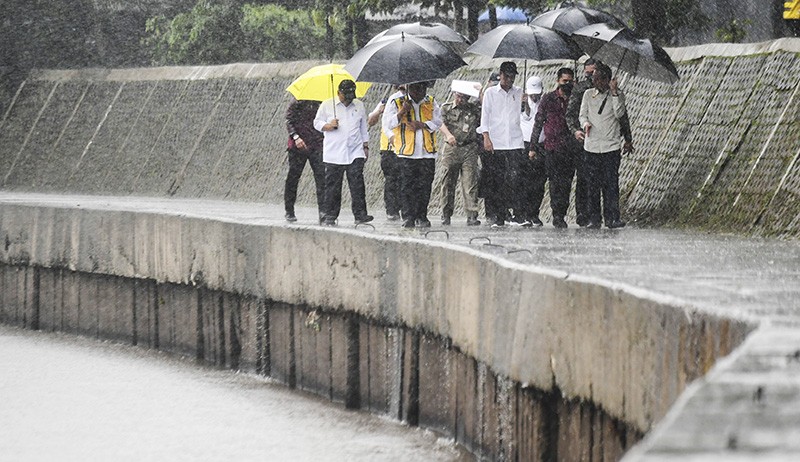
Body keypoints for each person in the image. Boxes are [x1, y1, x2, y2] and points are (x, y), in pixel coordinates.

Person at [579, 63, 633, 229]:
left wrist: (615, 93)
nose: (595, 82)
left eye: (598, 79)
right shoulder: (588, 95)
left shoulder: (617, 96)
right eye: (593, 79)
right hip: (592, 146)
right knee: (593, 185)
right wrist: (585, 124)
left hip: (610, 146)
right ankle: (595, 219)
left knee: (611, 184)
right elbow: (582, 115)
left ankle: (613, 218)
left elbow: (620, 114)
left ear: (607, 80)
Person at [383, 81, 442, 229]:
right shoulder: (397, 102)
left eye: (422, 88)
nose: (419, 91)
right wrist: (402, 111)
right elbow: (388, 124)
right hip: (406, 153)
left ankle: (422, 216)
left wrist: (422, 125)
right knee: (406, 187)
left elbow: (439, 121)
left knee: (424, 186)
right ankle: (408, 217)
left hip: (426, 153)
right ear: (409, 88)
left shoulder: (431, 101)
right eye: (416, 88)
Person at [314, 79, 373, 226]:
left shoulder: (359, 105)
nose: (348, 99)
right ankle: (330, 215)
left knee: (357, 184)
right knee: (333, 186)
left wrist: (365, 146)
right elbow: (316, 123)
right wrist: (328, 125)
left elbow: (363, 127)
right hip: (334, 152)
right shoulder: (327, 105)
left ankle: (360, 214)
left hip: (355, 151)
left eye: (351, 95)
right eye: (345, 95)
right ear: (338, 93)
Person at [478, 61, 525, 227]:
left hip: (514, 140)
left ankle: (518, 214)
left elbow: (527, 115)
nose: (510, 80)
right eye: (507, 76)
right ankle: (499, 215)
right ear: (501, 74)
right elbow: (485, 116)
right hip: (496, 141)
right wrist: (486, 137)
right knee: (497, 180)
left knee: (516, 178)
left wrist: (525, 104)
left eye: (512, 77)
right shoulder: (491, 93)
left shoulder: (519, 92)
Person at [530, 67, 578, 229]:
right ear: (558, 81)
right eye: (565, 81)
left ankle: (561, 214)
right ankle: (557, 215)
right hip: (552, 148)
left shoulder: (576, 98)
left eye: (570, 81)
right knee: (554, 183)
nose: (567, 84)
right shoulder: (548, 99)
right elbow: (538, 122)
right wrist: (533, 146)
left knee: (566, 183)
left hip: (571, 149)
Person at [438, 81, 482, 226]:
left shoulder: (473, 108)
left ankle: (472, 215)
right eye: (459, 96)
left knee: (470, 182)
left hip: (469, 148)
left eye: (464, 97)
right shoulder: (446, 108)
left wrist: (481, 90)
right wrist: (448, 135)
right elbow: (440, 123)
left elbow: (484, 104)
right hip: (452, 148)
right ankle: (446, 213)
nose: (461, 99)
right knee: (448, 182)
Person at [565, 58, 597, 227]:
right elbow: (570, 114)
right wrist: (575, 130)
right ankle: (582, 213)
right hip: (583, 141)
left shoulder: (607, 89)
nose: (591, 76)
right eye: (588, 73)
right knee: (583, 178)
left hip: (601, 140)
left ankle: (596, 213)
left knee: (597, 179)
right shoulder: (580, 89)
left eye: (593, 73)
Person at [368, 85, 406, 221]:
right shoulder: (386, 101)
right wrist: (379, 111)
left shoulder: (411, 101)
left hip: (406, 146)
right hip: (388, 147)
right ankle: (391, 209)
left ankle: (404, 207)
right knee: (391, 179)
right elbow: (370, 121)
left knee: (405, 179)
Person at [284, 98, 325, 223]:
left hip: (316, 144)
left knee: (321, 178)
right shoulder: (298, 101)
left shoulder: (322, 103)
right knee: (293, 177)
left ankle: (323, 212)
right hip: (297, 146)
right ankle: (289, 210)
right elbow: (289, 120)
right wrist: (296, 137)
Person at [517, 75, 546, 227]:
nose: (534, 96)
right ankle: (522, 213)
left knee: (539, 182)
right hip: (524, 144)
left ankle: (534, 213)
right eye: (532, 93)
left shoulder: (544, 103)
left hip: (541, 144)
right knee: (523, 180)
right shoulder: (521, 103)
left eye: (537, 93)